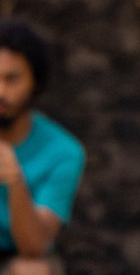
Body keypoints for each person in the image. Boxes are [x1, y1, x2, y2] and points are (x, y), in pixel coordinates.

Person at [0, 21, 85, 275]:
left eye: (12, 79)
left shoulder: (64, 152)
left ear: (35, 82)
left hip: (15, 259)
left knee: (33, 271)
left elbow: (34, 247)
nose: (1, 91)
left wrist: (14, 180)